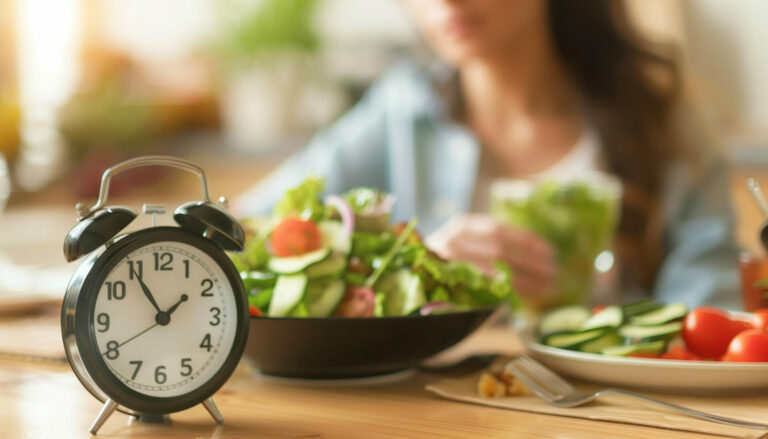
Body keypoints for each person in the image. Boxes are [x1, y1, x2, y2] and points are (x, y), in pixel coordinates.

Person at [235, 0, 740, 309]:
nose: (445, 1)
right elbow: (241, 232)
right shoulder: (401, 112)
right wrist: (416, 265)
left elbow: (713, 313)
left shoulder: (663, 123)